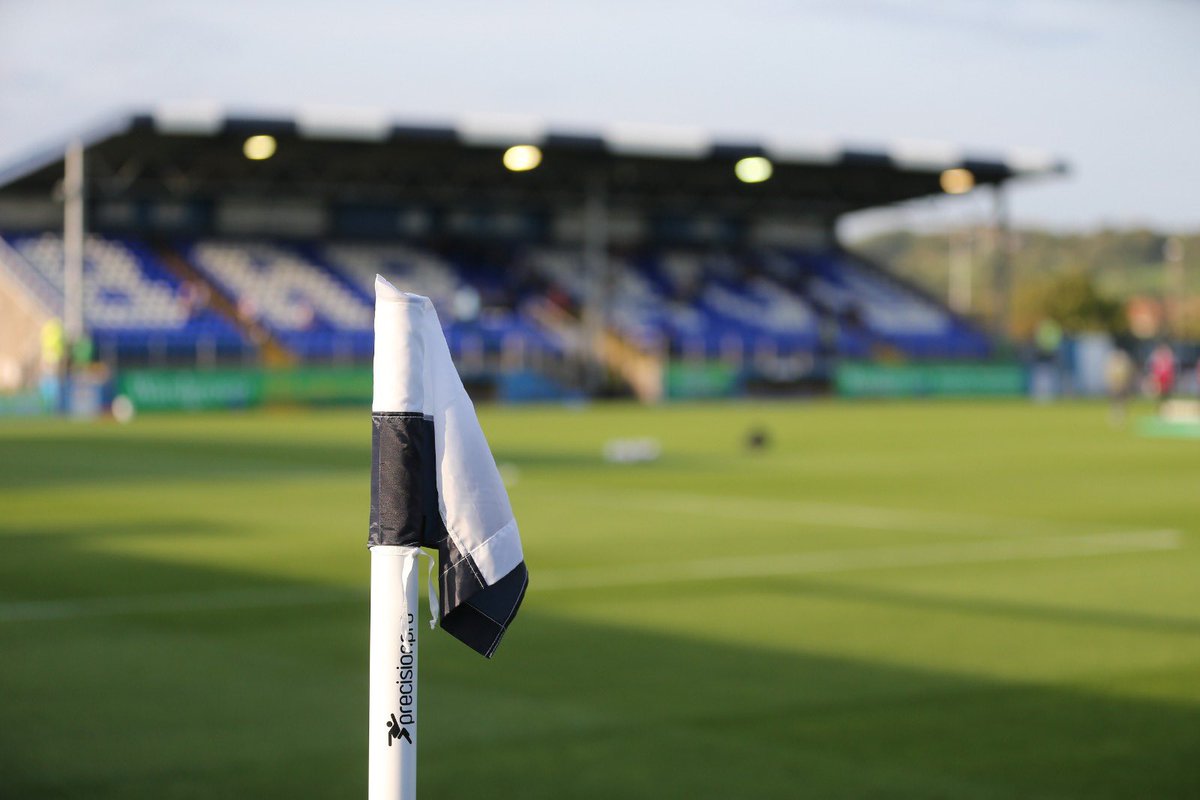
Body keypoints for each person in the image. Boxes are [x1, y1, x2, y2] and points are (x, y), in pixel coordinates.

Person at [1104, 347, 1135, 426]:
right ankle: (1115, 415)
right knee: (1115, 401)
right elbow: (1109, 374)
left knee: (1122, 401)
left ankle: (1121, 415)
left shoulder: (1123, 363)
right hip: (1115, 385)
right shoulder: (1112, 363)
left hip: (1121, 384)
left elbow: (1127, 374)